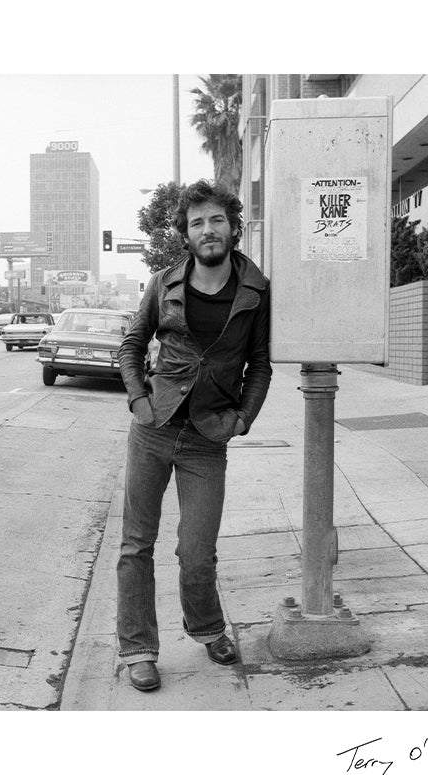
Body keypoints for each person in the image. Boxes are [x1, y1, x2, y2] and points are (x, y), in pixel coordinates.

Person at [115, 179, 272, 691]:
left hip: (208, 439)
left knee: (196, 551)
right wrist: (139, 401)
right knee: (136, 545)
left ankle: (206, 628)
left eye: (217, 221)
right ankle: (138, 649)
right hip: (155, 430)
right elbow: (132, 344)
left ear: (232, 229)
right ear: (187, 233)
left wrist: (243, 418)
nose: (208, 230)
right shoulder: (164, 283)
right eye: (198, 222)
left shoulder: (256, 289)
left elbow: (261, 364)